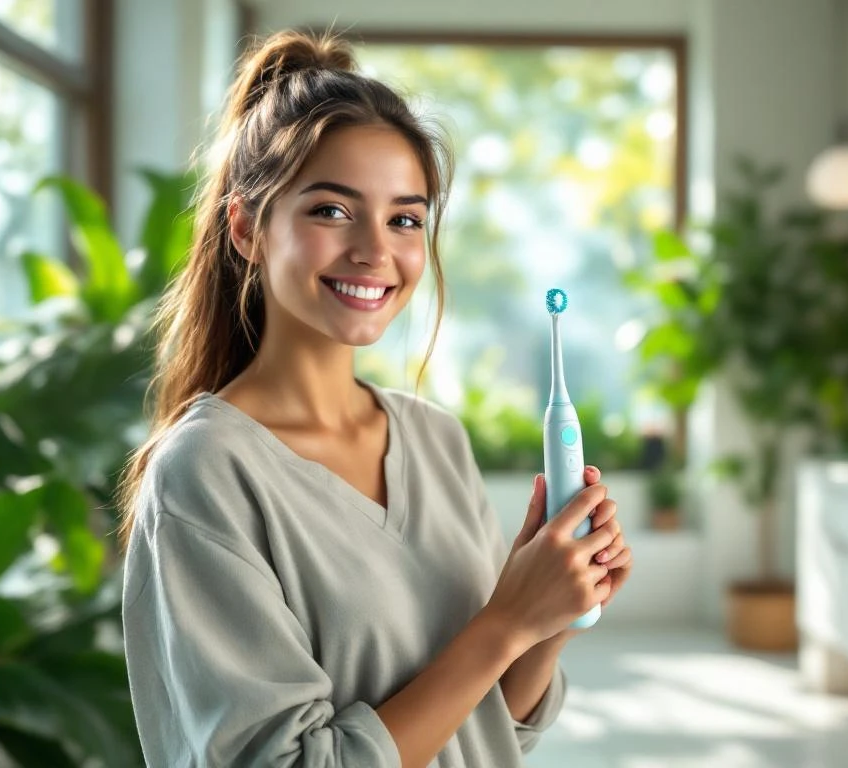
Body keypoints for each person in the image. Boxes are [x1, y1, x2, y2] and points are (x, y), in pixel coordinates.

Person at [117, 28, 632, 768]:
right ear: (246, 228)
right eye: (331, 210)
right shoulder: (205, 471)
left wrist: (548, 610)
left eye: (405, 219)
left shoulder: (434, 438)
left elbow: (493, 727)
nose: (375, 251)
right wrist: (504, 622)